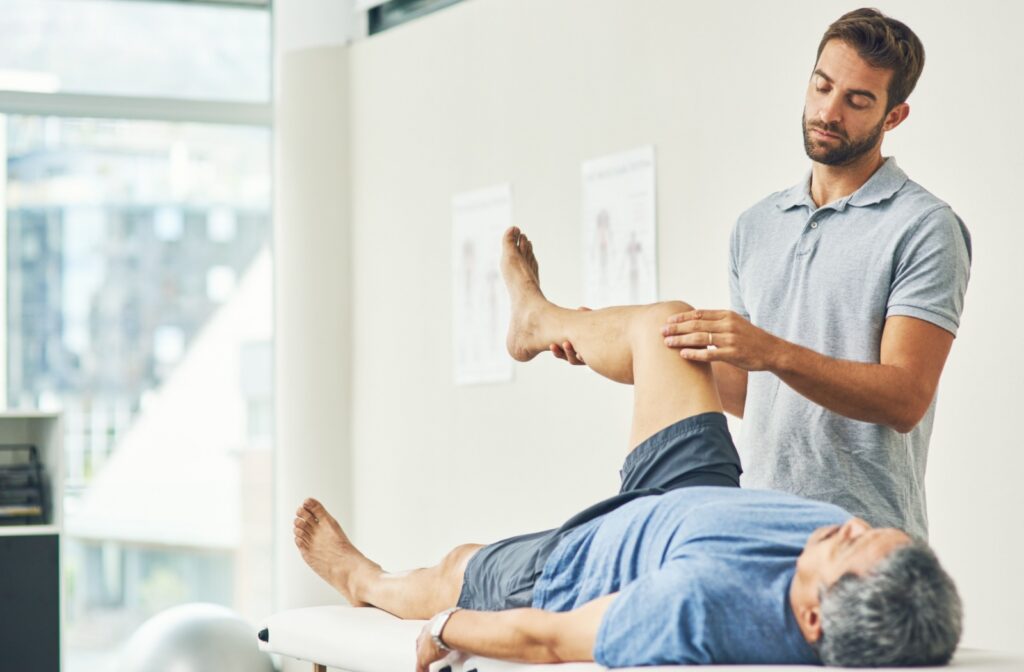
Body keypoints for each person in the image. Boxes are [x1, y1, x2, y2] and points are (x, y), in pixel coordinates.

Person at [293, 228, 962, 671]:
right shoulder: (847, 563)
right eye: (869, 532)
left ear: (812, 617)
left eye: (848, 546)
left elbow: (549, 641)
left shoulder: (699, 603)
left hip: (579, 564)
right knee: (670, 328)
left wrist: (445, 628)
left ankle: (364, 580)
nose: (848, 524)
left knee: (456, 566)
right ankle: (540, 320)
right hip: (693, 493)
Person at [553, 9, 972, 539]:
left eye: (857, 100)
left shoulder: (925, 226)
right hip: (759, 530)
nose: (829, 111)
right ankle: (557, 324)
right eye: (821, 87)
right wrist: (635, 357)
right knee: (662, 325)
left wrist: (771, 350)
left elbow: (905, 399)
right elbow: (755, 394)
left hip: (864, 541)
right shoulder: (756, 227)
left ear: (894, 116)